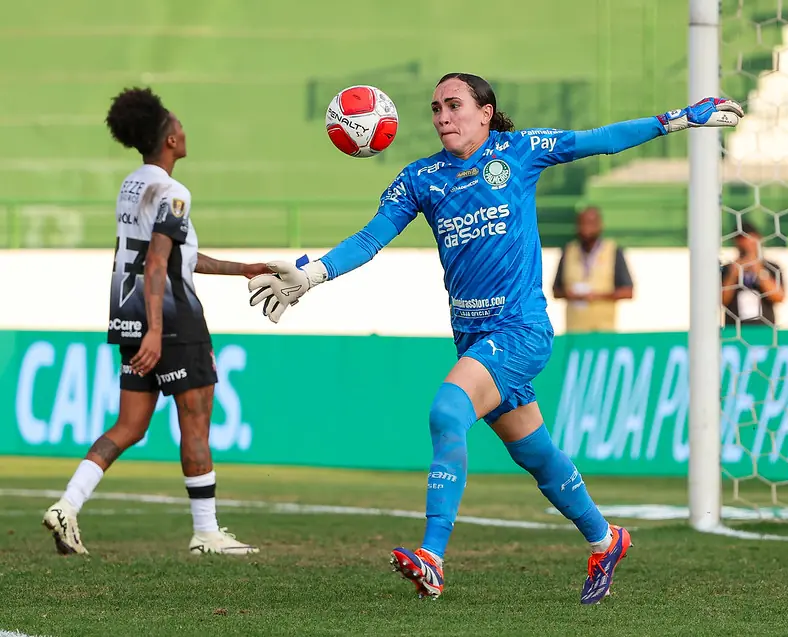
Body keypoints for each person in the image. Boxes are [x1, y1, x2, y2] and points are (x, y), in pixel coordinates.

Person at [248, 74, 743, 603]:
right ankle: (605, 538)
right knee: (535, 452)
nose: (443, 116)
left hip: (521, 330)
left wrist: (677, 119)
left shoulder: (520, 151)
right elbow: (371, 238)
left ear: (486, 113)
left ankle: (432, 557)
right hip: (474, 338)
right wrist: (312, 274)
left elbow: (599, 138)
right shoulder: (421, 178)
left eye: (454, 105)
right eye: (436, 108)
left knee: (446, 411)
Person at [42, 87, 267, 556]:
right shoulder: (173, 192)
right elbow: (159, 264)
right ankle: (206, 532)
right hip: (170, 319)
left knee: (130, 425)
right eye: (177, 124)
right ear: (168, 139)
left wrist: (241, 269)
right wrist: (158, 331)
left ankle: (67, 505)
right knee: (196, 419)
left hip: (127, 313)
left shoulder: (134, 185)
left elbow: (175, 255)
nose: (183, 130)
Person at [552, 206, 634, 333]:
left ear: (599, 225)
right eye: (582, 224)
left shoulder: (612, 251)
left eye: (590, 224)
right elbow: (556, 291)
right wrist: (570, 294)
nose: (586, 229)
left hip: (603, 331)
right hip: (574, 331)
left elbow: (628, 291)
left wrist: (597, 296)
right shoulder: (569, 251)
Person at [721, 221, 785, 326]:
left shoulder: (771, 267)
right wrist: (733, 274)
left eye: (749, 238)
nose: (746, 244)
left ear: (758, 239)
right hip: (734, 328)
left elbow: (779, 297)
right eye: (741, 239)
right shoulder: (727, 269)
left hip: (764, 328)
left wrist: (759, 271)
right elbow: (722, 300)